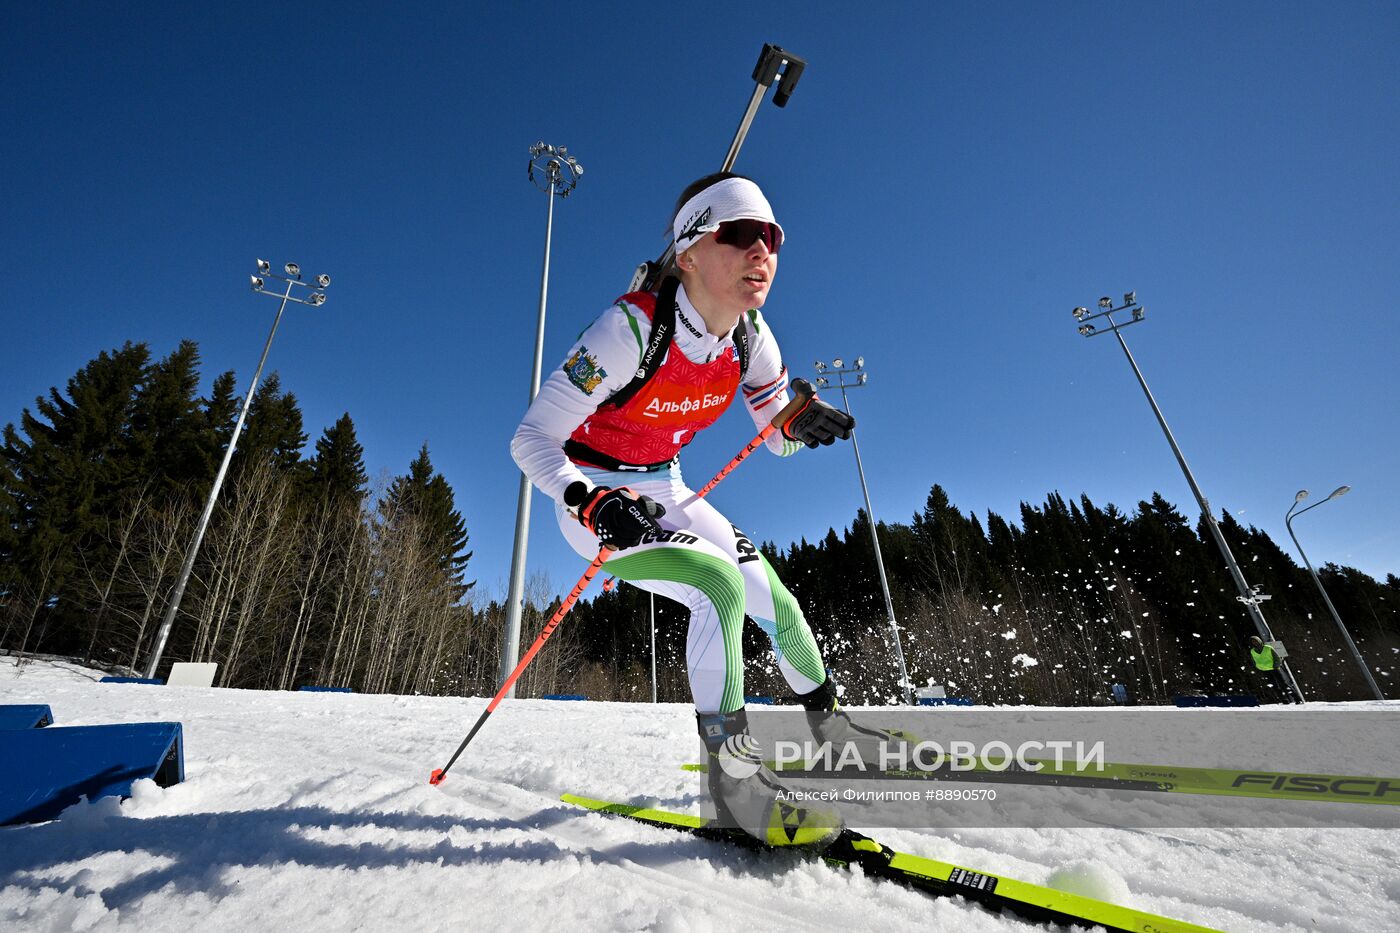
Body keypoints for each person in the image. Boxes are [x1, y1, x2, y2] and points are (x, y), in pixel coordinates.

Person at [512, 172, 867, 848]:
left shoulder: (751, 339)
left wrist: (797, 426)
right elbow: (529, 439)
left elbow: (773, 433)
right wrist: (591, 502)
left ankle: (835, 734)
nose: (762, 251)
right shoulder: (629, 330)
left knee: (777, 600)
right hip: (595, 491)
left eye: (772, 237)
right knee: (718, 586)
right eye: (739, 235)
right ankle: (734, 789)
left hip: (667, 486)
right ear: (690, 252)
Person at [1248, 636, 1296, 704]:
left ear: (1259, 641)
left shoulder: (1268, 648)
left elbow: (1277, 658)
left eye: (1255, 641)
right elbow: (1253, 660)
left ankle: (1296, 697)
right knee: (1275, 686)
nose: (1254, 643)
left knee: (1283, 684)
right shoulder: (1252, 651)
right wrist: (1257, 666)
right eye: (1253, 642)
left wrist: (1275, 665)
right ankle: (1284, 700)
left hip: (1274, 669)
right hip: (1265, 670)